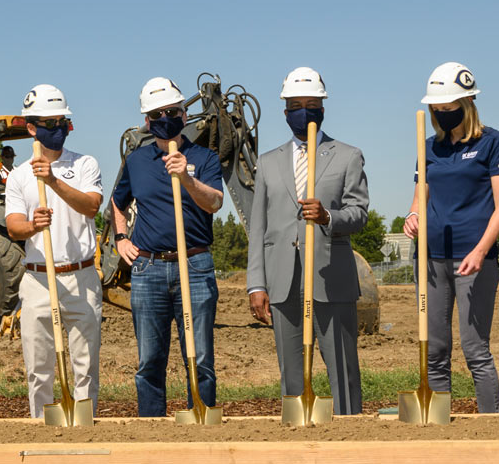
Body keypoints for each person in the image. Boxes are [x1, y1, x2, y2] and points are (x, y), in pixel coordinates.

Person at [246, 67, 369, 415]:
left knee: (342, 369)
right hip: (283, 281)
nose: (304, 111)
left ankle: (349, 429)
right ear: (285, 112)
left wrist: (329, 216)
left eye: (311, 104)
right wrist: (256, 283)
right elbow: (259, 228)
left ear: (322, 109)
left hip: (332, 279)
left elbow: (359, 213)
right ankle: (296, 438)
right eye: (296, 105)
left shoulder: (347, 156)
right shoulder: (268, 163)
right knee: (292, 375)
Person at [402, 62, 499, 413]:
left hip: (474, 260)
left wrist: (481, 250)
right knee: (434, 349)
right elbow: (421, 197)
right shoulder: (429, 148)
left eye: (449, 109)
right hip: (432, 261)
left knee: (475, 349)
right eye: (437, 109)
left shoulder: (493, 144)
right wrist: (413, 216)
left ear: (467, 104)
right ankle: (438, 423)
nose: (442, 114)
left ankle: (490, 428)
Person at [110, 77, 224, 417]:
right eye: (157, 114)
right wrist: (120, 239)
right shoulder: (136, 161)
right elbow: (117, 203)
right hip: (149, 269)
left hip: (195, 264)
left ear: (184, 115)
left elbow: (215, 202)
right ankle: (152, 429)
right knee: (149, 361)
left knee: (200, 357)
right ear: (147, 120)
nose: (165, 118)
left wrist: (186, 178)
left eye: (172, 111)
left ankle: (201, 422)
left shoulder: (204, 157)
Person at [5, 85, 103, 418]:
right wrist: (33, 226)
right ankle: (41, 427)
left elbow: (91, 206)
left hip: (81, 276)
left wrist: (54, 183)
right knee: (38, 368)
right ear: (32, 127)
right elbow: (13, 226)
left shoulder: (85, 163)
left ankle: (84, 428)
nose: (57, 128)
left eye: (62, 121)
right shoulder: (18, 176)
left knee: (85, 365)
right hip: (38, 281)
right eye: (49, 123)